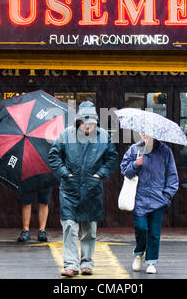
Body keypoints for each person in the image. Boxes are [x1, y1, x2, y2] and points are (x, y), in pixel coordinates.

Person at [48, 101, 118, 277]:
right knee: (70, 227)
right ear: (79, 121)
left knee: (89, 230)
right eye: (86, 123)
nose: (89, 126)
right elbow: (54, 155)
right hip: (69, 189)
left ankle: (87, 262)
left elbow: (112, 158)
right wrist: (65, 174)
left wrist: (99, 175)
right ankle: (71, 264)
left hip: (92, 189)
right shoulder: (66, 135)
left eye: (92, 123)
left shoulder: (103, 136)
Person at [120, 133, 179, 274]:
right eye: (143, 132)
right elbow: (125, 171)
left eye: (149, 133)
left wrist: (167, 196)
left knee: (154, 233)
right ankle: (139, 253)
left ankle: (151, 261)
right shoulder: (134, 150)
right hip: (139, 198)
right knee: (141, 228)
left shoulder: (165, 151)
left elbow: (172, 175)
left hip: (158, 199)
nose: (145, 135)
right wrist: (135, 164)